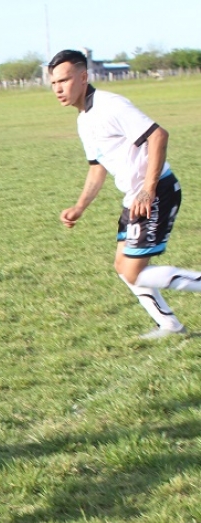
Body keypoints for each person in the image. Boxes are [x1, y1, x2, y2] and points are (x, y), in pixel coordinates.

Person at [49, 49, 201, 339]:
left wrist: (148, 189)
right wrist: (80, 207)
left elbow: (158, 135)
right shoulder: (84, 118)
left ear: (83, 77)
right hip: (135, 196)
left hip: (155, 192)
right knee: (122, 266)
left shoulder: (110, 106)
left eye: (64, 80)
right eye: (54, 83)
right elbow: (97, 168)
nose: (58, 88)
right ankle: (169, 325)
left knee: (133, 271)